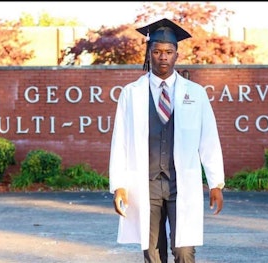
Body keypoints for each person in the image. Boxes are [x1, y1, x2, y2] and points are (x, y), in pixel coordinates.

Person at [109, 18, 225, 263]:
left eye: (168, 52)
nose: (163, 57)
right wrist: (119, 184)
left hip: (180, 182)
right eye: (157, 51)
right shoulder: (131, 94)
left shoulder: (195, 93)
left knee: (184, 251)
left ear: (177, 55)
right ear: (149, 53)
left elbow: (209, 139)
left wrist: (216, 183)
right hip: (145, 183)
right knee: (153, 252)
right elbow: (120, 141)